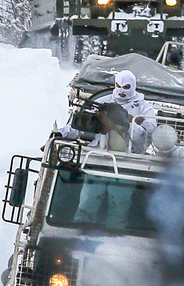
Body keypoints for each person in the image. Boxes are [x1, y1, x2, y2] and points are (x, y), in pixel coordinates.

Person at [60, 69, 158, 229]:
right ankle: (80, 233)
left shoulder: (143, 108)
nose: (121, 90)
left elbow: (147, 135)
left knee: (119, 205)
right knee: (88, 201)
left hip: (127, 164)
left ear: (133, 87)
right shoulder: (104, 102)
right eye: (118, 85)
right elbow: (80, 126)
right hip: (98, 159)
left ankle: (114, 237)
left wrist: (127, 124)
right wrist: (61, 133)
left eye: (126, 87)